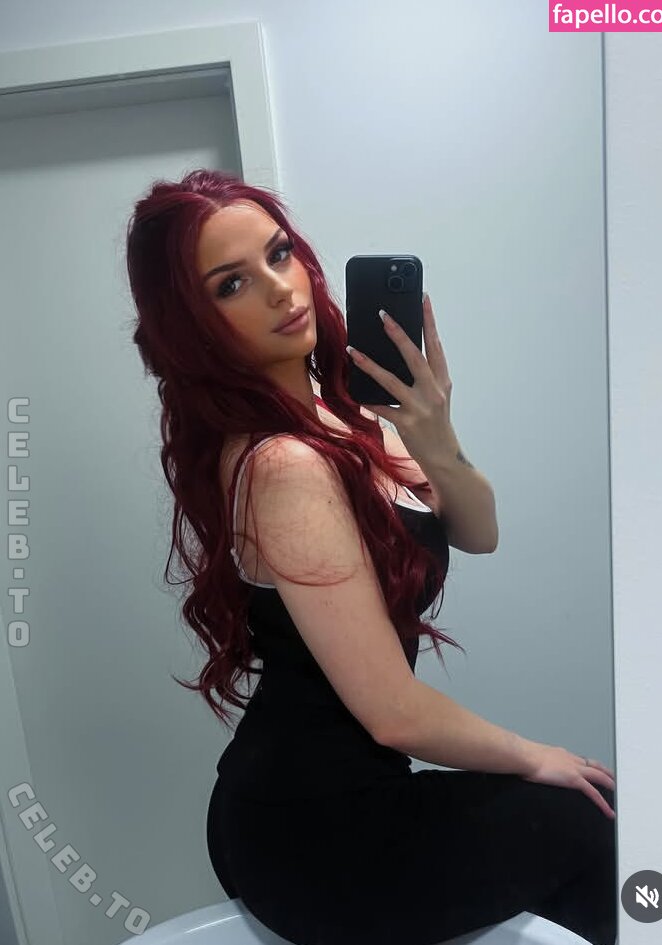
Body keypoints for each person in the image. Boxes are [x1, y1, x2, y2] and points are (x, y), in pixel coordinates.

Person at [126, 169, 617, 945]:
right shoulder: (283, 464)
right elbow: (393, 713)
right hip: (310, 828)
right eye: (232, 284)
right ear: (193, 325)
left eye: (279, 254)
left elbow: (478, 529)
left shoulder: (338, 414)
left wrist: (434, 434)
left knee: (588, 820)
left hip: (341, 793)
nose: (280, 289)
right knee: (594, 826)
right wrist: (535, 755)